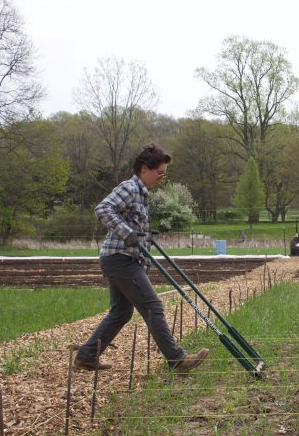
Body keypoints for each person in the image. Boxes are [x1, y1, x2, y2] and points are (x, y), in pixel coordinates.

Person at [74, 143, 208, 373]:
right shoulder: (130, 188)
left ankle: (87, 356)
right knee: (152, 305)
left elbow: (136, 230)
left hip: (123, 259)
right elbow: (103, 209)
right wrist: (128, 233)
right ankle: (177, 359)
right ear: (145, 169)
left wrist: (143, 241)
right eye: (160, 173)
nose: (162, 179)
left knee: (121, 313)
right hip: (119, 258)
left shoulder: (142, 193)